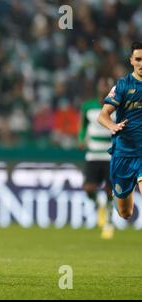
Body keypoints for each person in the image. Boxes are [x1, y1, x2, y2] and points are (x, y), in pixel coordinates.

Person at [97, 41, 142, 225]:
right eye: (138, 59)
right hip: (123, 153)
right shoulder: (123, 86)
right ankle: (119, 196)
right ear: (131, 60)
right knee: (125, 212)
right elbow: (103, 115)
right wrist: (112, 126)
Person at [78, 77, 115, 239]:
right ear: (98, 88)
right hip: (93, 153)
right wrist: (81, 139)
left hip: (110, 154)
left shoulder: (118, 107)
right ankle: (99, 205)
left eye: (107, 86)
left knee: (110, 190)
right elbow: (84, 126)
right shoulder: (88, 107)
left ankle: (108, 222)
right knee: (88, 188)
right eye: (102, 86)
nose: (104, 89)